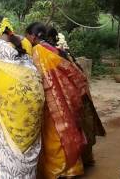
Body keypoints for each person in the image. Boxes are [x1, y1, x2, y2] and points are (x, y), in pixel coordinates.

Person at [0, 16, 45, 178]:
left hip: (12, 103)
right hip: (35, 100)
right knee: (27, 146)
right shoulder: (23, 43)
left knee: (10, 150)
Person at [26, 22, 89, 178]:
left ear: (33, 36)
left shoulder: (36, 52)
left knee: (52, 134)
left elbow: (35, 77)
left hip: (49, 99)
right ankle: (71, 168)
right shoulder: (53, 49)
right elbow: (71, 70)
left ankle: (56, 170)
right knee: (67, 130)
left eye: (27, 36)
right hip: (63, 96)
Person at [46, 26, 106, 167]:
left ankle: (74, 163)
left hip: (71, 97)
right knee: (83, 127)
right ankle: (86, 159)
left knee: (72, 130)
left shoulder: (53, 54)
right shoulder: (63, 53)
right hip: (80, 95)